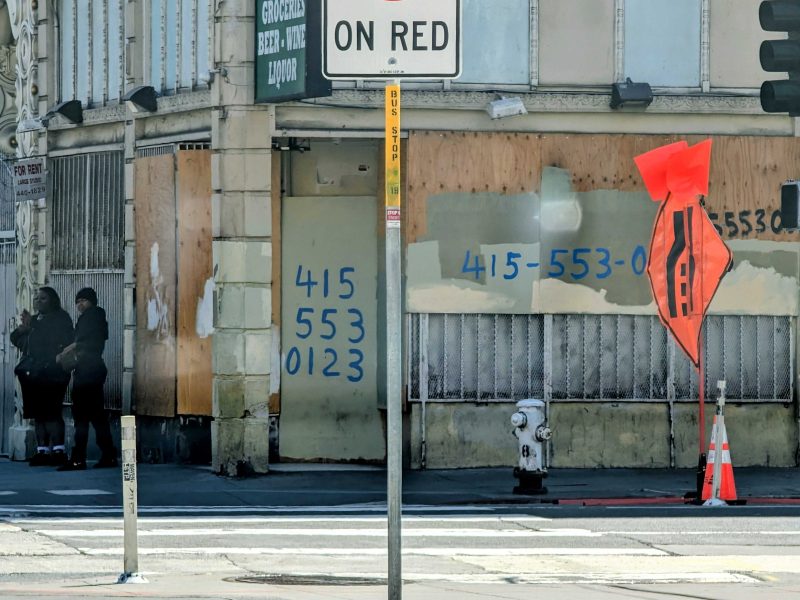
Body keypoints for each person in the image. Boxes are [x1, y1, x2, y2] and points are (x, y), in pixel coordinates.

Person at [10, 287, 74, 466]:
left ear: (53, 300)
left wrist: (33, 326)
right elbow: (16, 339)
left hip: (53, 373)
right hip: (33, 373)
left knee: (52, 411)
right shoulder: (36, 319)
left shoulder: (61, 318)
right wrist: (22, 329)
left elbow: (54, 339)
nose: (38, 301)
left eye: (43, 299)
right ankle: (42, 451)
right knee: (38, 414)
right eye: (36, 298)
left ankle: (59, 450)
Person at [57, 287, 117, 471]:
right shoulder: (95, 317)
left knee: (82, 416)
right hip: (92, 371)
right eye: (77, 301)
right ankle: (108, 455)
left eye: (84, 300)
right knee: (97, 416)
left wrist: (67, 350)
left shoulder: (92, 317)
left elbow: (87, 342)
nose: (80, 304)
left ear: (92, 301)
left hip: (88, 372)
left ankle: (78, 458)